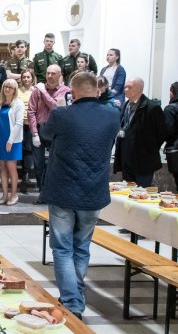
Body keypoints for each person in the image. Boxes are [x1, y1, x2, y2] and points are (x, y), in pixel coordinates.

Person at [40, 72, 119, 320]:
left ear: (71, 93)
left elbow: (45, 136)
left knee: (63, 248)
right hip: (93, 190)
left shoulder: (62, 114)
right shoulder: (112, 115)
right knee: (81, 247)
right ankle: (75, 295)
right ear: (98, 91)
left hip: (63, 189)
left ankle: (72, 302)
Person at [28, 64, 72, 200]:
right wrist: (34, 133)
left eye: (53, 73)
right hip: (40, 128)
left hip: (56, 131)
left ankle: (53, 191)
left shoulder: (66, 91)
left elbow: (55, 108)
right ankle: (43, 193)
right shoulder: (37, 90)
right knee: (38, 164)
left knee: (55, 163)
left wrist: (44, 93)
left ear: (60, 76)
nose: (50, 76)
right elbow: (31, 112)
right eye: (48, 73)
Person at [113, 77, 166, 188]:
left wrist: (148, 148)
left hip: (143, 160)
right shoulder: (126, 105)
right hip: (126, 158)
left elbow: (161, 133)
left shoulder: (152, 108)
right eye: (125, 87)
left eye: (129, 87)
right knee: (127, 194)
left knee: (142, 193)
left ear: (139, 89)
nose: (125, 89)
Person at [0, 79, 24, 205]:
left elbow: (19, 124)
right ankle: (5, 195)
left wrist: (10, 141)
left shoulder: (18, 104)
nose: (7, 89)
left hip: (13, 141)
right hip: (0, 139)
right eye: (5, 87)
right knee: (3, 167)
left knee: (11, 167)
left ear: (15, 90)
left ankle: (14, 195)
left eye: (10, 87)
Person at [17, 69, 35, 194]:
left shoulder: (36, 91)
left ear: (32, 78)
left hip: (31, 123)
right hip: (19, 123)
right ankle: (21, 170)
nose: (26, 79)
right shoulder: (18, 91)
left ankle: (26, 173)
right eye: (24, 77)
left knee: (28, 148)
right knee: (21, 148)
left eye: (28, 77)